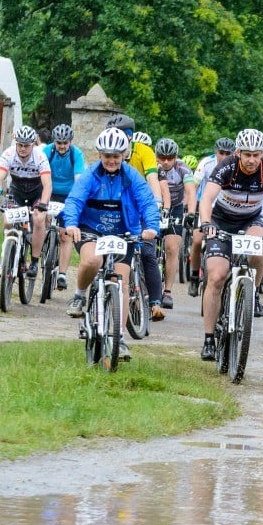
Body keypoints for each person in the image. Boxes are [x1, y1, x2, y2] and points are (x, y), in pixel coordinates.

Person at [62, 128, 160, 361]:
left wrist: (151, 227)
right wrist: (72, 224)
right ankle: (80, 294)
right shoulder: (90, 175)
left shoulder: (132, 176)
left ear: (124, 154)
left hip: (123, 232)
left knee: (122, 282)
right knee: (92, 260)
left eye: (116, 155)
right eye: (107, 155)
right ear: (99, 155)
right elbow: (75, 199)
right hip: (91, 229)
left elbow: (146, 202)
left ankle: (120, 338)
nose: (112, 160)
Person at [197, 129, 263, 360]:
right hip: (221, 220)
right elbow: (207, 198)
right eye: (247, 154)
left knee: (259, 248)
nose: (251, 160)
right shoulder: (226, 167)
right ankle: (209, 338)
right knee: (217, 276)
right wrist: (207, 223)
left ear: (262, 154)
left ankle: (254, 293)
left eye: (256, 155)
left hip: (252, 219)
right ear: (238, 152)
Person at [106, 113, 169, 320]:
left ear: (130, 136)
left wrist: (158, 203)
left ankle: (155, 303)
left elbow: (152, 177)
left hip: (141, 206)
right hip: (115, 208)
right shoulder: (107, 153)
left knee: (148, 254)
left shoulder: (143, 151)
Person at [0, 125, 52, 280]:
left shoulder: (40, 157)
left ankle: (34, 261)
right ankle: (8, 254)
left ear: (33, 144)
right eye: (20, 145)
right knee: (8, 221)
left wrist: (43, 204)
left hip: (37, 193)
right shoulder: (9, 154)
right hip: (16, 191)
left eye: (26, 145)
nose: (22, 148)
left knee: (39, 220)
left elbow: (47, 184)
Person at [187, 137, 235, 297]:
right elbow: (193, 185)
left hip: (226, 210)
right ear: (216, 152)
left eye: (228, 153)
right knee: (197, 240)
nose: (224, 156)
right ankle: (194, 276)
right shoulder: (206, 164)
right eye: (221, 153)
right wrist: (190, 209)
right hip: (206, 206)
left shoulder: (236, 165)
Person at [155, 137, 197, 309]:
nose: (166, 161)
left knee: (172, 248)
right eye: (162, 157)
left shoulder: (183, 169)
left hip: (176, 209)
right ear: (156, 156)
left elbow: (191, 192)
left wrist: (192, 213)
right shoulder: (152, 166)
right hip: (155, 207)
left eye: (170, 158)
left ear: (176, 157)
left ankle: (167, 291)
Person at [43, 124, 86, 290]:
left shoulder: (76, 154)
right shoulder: (47, 151)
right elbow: (40, 171)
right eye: (58, 143)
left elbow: (79, 179)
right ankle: (43, 242)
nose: (61, 146)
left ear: (70, 142)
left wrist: (76, 201)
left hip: (69, 195)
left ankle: (62, 274)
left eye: (65, 143)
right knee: (43, 220)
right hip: (50, 191)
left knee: (65, 235)